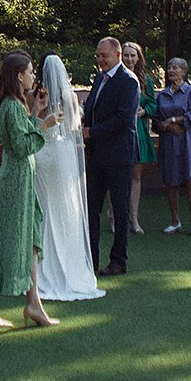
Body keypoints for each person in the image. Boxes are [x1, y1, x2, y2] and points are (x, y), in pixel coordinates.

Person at [0, 51, 63, 329]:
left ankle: (32, 303)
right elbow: (22, 146)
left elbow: (23, 134)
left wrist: (35, 113)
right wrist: (45, 125)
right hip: (15, 178)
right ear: (18, 76)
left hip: (22, 176)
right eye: (30, 72)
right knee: (11, 239)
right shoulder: (11, 107)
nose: (33, 76)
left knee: (29, 237)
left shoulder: (15, 105)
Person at [32, 53, 104, 301]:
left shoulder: (37, 96)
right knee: (65, 208)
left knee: (44, 209)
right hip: (63, 154)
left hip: (44, 151)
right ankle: (68, 265)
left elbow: (33, 124)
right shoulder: (70, 98)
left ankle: (41, 267)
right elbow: (74, 127)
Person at [81, 36, 140, 275]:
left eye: (104, 55)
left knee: (119, 208)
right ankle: (90, 260)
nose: (100, 60)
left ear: (117, 55)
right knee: (91, 208)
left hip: (118, 155)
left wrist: (91, 132)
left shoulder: (129, 81)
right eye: (97, 55)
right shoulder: (99, 78)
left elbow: (123, 119)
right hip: (96, 155)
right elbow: (92, 107)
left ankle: (118, 260)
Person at [154, 57, 191, 237]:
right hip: (168, 142)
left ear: (183, 72)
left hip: (184, 142)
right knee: (171, 182)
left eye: (175, 68)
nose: (171, 70)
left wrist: (174, 120)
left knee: (189, 180)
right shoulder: (162, 95)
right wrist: (166, 127)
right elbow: (156, 120)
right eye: (169, 67)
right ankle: (175, 221)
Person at [124, 40, 157, 235]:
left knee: (136, 175)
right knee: (119, 174)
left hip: (139, 130)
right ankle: (115, 215)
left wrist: (144, 111)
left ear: (138, 58)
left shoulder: (146, 81)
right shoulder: (115, 77)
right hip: (121, 131)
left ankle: (134, 217)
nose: (129, 59)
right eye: (126, 55)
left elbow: (152, 104)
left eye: (132, 55)